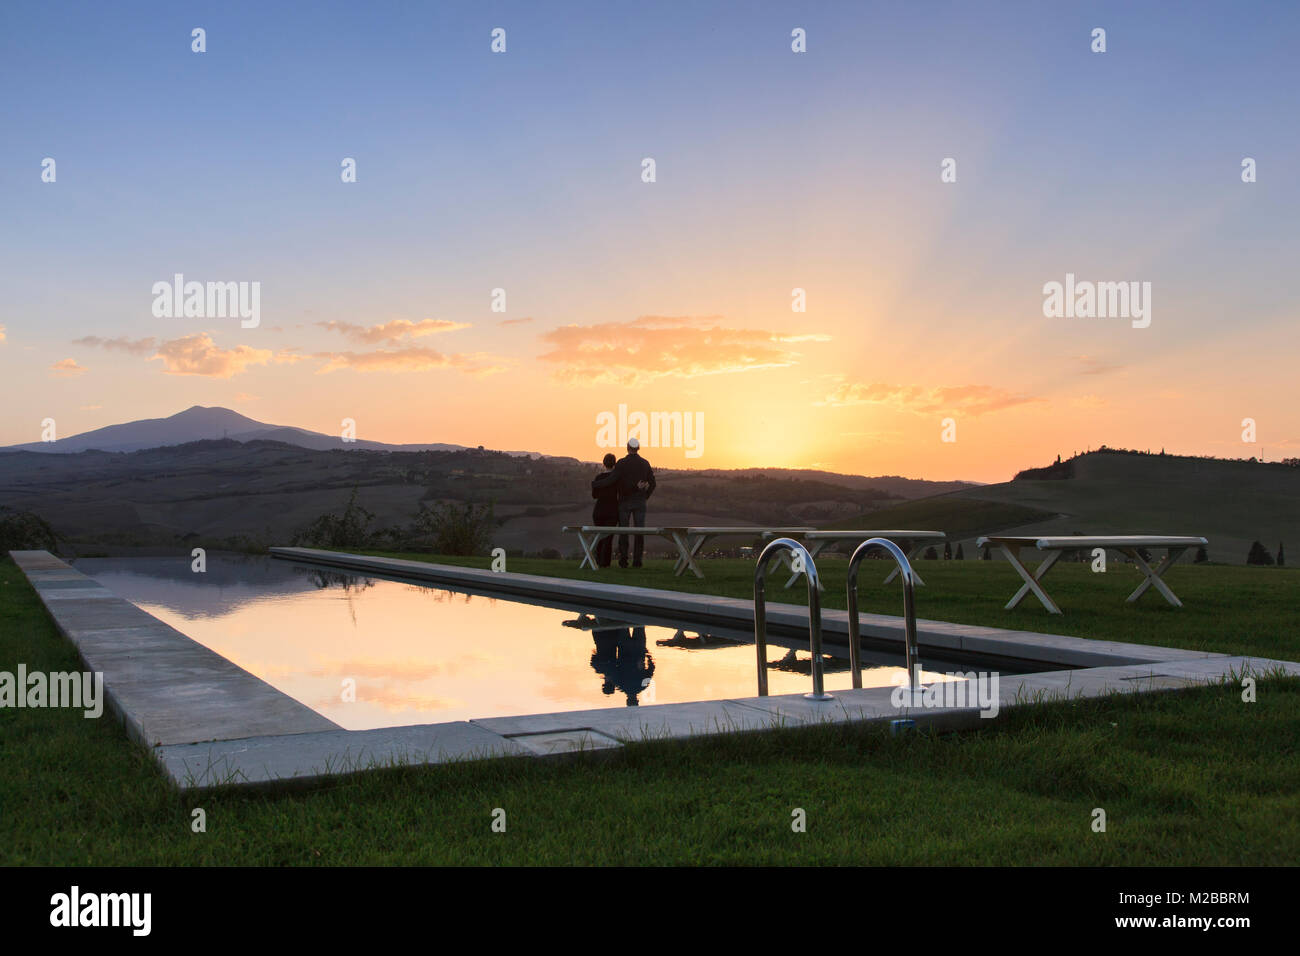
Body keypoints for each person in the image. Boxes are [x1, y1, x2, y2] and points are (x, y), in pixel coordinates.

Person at [611, 437, 655, 568]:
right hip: (640, 501)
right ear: (638, 448)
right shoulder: (645, 463)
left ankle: (623, 560)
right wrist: (645, 496)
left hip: (624, 501)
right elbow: (653, 483)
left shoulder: (621, 463)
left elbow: (616, 482)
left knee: (623, 531)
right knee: (639, 531)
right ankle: (637, 561)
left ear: (627, 448)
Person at [590, 453, 619, 568]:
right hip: (612, 511)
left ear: (604, 463)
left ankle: (597, 561)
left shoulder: (598, 478)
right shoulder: (616, 479)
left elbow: (594, 495)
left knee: (600, 537)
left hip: (598, 511)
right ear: (614, 463)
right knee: (608, 538)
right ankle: (605, 563)